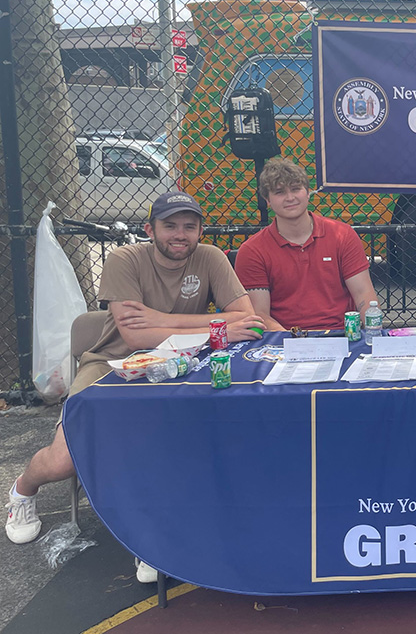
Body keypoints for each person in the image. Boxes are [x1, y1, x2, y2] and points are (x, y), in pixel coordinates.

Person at [5, 192, 263, 582]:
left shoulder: (210, 257)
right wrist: (217, 325)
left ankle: (151, 539)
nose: (180, 235)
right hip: (111, 364)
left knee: (175, 442)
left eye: (189, 227)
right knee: (64, 461)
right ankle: (22, 490)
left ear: (199, 231)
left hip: (184, 363)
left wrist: (161, 318)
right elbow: (134, 336)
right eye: (170, 225)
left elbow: (248, 316)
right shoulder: (124, 259)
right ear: (150, 229)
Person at [234, 157, 379, 330]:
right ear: (267, 200)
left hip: (342, 336)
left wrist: (372, 335)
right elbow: (260, 315)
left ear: (308, 192)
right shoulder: (252, 251)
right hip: (284, 342)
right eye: (279, 192)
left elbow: (364, 295)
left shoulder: (343, 235)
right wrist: (296, 343)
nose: (290, 198)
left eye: (296, 189)